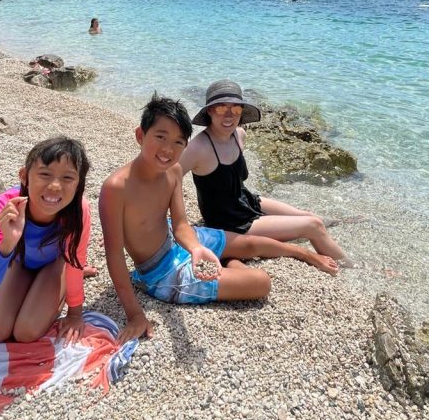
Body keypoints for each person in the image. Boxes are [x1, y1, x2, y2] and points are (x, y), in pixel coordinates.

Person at [99, 95, 338, 342]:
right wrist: (135, 314)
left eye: (178, 142)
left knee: (250, 243)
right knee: (261, 282)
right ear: (140, 135)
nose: (168, 149)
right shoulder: (116, 188)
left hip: (175, 238)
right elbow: (114, 255)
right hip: (161, 272)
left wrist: (195, 248)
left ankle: (303, 253)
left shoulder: (173, 171)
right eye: (160, 137)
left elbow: (180, 224)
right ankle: (230, 261)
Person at [179, 80, 350, 265]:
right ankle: (351, 267)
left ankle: (342, 222)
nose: (229, 115)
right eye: (221, 108)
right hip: (230, 222)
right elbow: (169, 178)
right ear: (209, 111)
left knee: (308, 215)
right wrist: (175, 222)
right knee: (314, 226)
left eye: (235, 108)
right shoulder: (198, 148)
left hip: (245, 201)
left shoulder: (239, 135)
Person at [0, 137, 92, 344]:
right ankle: (33, 286)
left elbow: (75, 260)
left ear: (79, 184)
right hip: (19, 262)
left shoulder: (78, 211)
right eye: (45, 174)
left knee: (26, 332)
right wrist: (7, 243)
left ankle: (57, 287)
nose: (55, 186)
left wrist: (74, 314)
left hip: (54, 265)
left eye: (67, 178)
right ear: (24, 176)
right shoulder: (3, 208)